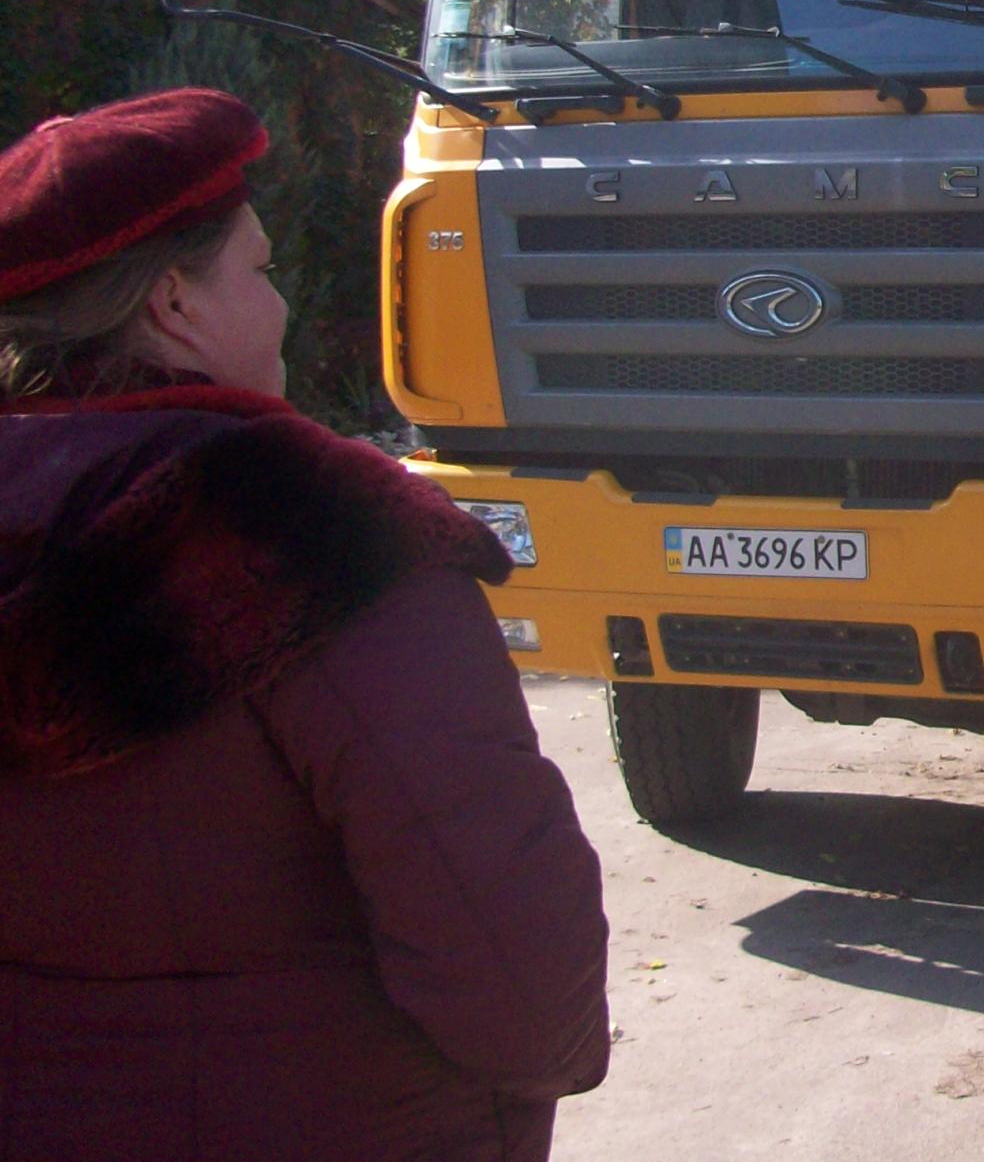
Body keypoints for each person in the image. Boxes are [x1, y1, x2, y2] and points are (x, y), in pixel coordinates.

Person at [0, 89, 611, 1158]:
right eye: (262, 269)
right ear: (174, 305)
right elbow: (518, 974)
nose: (282, 305)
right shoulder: (322, 535)